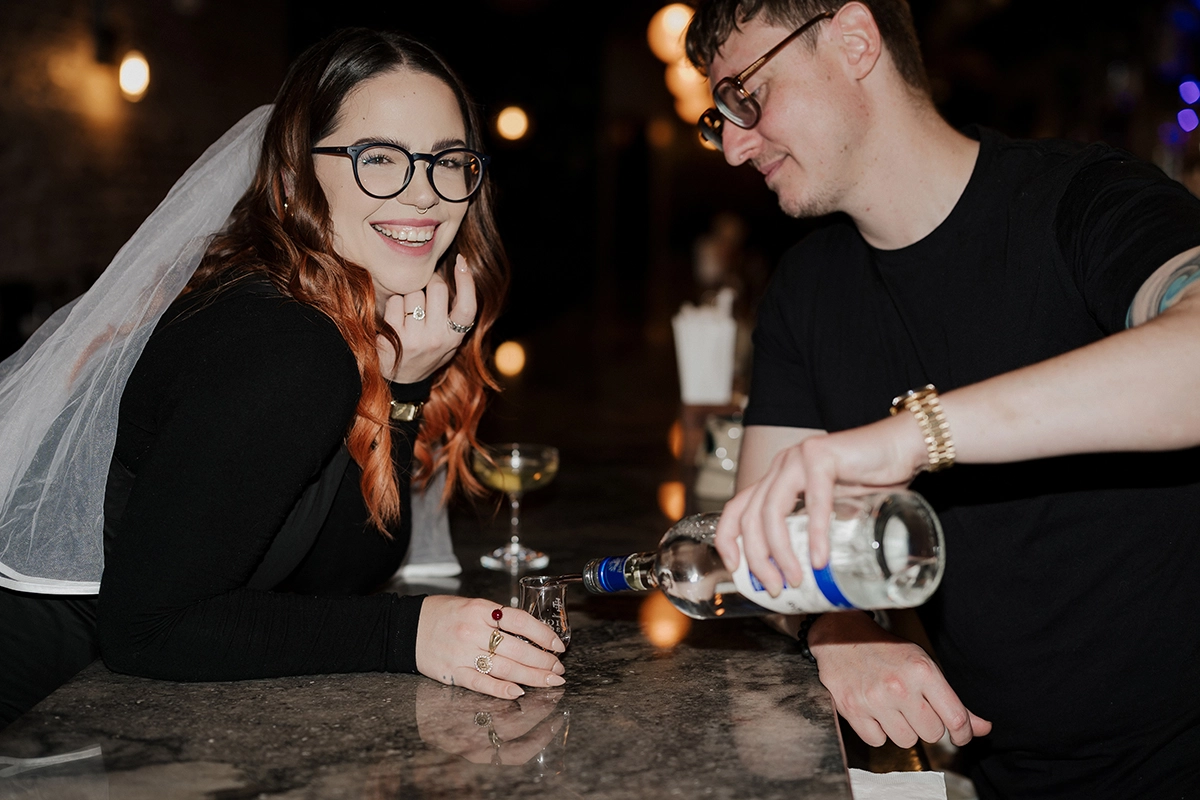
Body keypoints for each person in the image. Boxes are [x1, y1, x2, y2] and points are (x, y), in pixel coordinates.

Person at [684, 1, 1200, 797]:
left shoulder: (1084, 199)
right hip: (992, 776)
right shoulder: (809, 287)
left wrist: (911, 435)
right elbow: (756, 547)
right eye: (720, 119)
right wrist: (838, 625)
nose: (736, 146)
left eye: (747, 96)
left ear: (855, 40)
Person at [0, 27, 567, 729]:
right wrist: (411, 634)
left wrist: (406, 391)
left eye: (448, 162)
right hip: (40, 713)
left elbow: (336, 573)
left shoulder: (324, 312)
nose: (424, 196)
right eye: (379, 159)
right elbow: (147, 628)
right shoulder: (286, 341)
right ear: (298, 173)